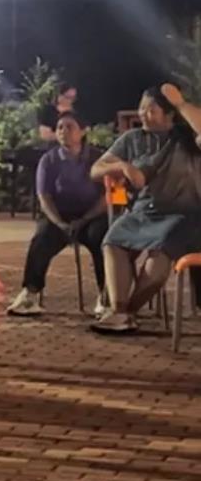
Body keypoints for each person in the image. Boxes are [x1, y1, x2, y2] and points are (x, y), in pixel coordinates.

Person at [90, 84, 201, 334]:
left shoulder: (187, 138)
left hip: (184, 215)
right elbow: (96, 169)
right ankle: (118, 310)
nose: (143, 114)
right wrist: (121, 166)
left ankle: (126, 312)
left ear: (170, 114)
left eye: (151, 110)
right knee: (113, 240)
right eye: (141, 108)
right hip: (143, 211)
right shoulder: (132, 139)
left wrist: (181, 103)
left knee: (160, 254)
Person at [6, 112, 109, 317]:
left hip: (92, 216)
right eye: (60, 127)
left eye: (69, 127)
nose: (63, 131)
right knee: (42, 238)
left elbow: (108, 196)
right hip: (59, 215)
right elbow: (44, 197)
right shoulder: (49, 160)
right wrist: (60, 223)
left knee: (104, 239)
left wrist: (85, 219)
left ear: (83, 131)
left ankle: (106, 297)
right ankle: (29, 294)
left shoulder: (99, 158)